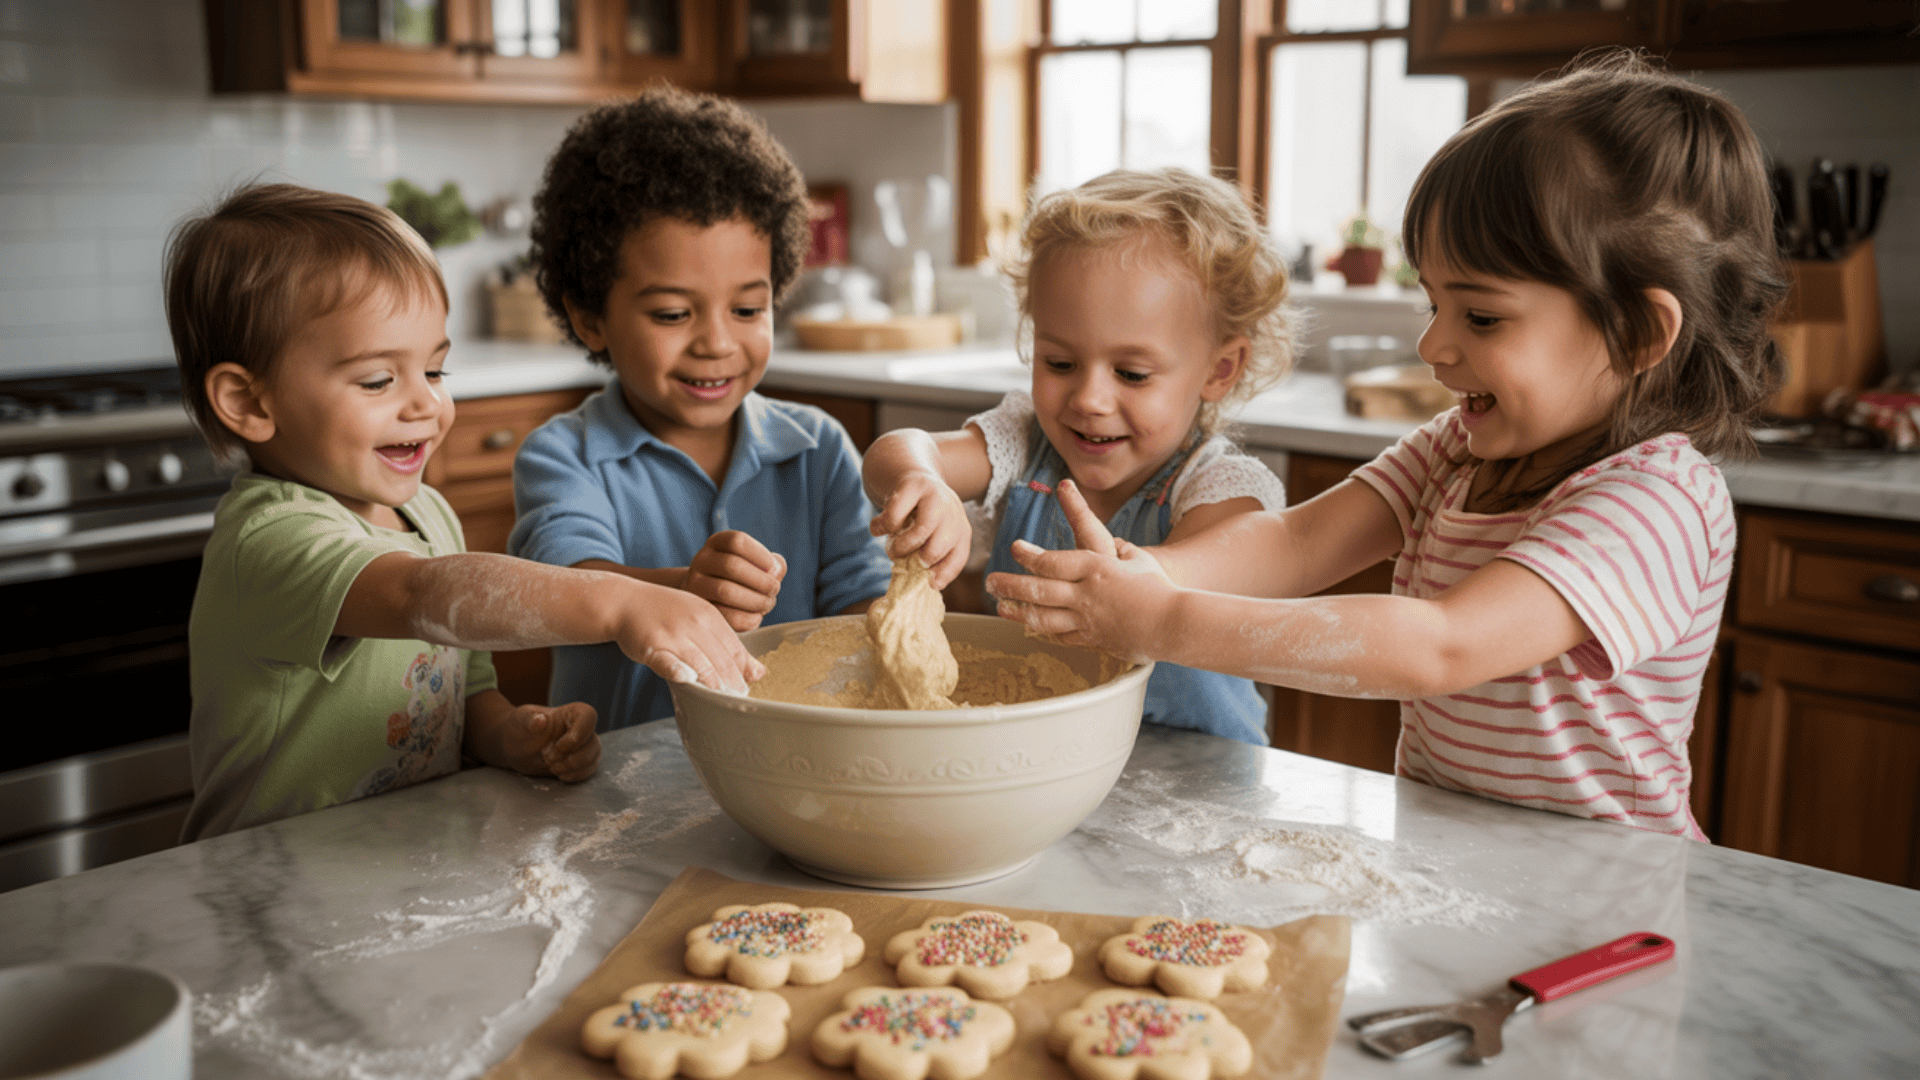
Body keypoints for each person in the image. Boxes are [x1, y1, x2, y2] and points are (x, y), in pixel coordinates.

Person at [987, 51, 1789, 838]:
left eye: (1480, 316)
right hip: (1451, 850)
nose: (1433, 345)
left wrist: (1163, 622)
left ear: (1641, 331)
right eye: (1431, 302)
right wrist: (1139, 575)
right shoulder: (1457, 451)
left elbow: (1441, 645)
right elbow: (1296, 544)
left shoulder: (1656, 502)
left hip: (1603, 897)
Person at [166, 183, 764, 841]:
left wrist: (511, 734)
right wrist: (619, 605)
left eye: (437, 371)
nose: (425, 405)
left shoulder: (427, 513)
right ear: (249, 402)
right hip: (267, 889)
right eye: (377, 380)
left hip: (391, 866)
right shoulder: (269, 538)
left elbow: (463, 690)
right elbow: (420, 594)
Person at [863, 167, 1295, 744]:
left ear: (1220, 370)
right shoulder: (1024, 445)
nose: (1089, 400)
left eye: (1132, 373)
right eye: (1060, 363)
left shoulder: (1219, 489)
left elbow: (1223, 563)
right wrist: (923, 481)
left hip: (1198, 777)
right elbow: (892, 453)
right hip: (1043, 759)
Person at [509, 86, 891, 730]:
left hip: (793, 773)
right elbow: (569, 590)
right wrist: (680, 590)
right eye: (672, 314)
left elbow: (868, 609)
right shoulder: (562, 457)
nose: (717, 342)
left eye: (748, 309)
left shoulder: (819, 448)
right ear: (589, 317)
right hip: (621, 790)